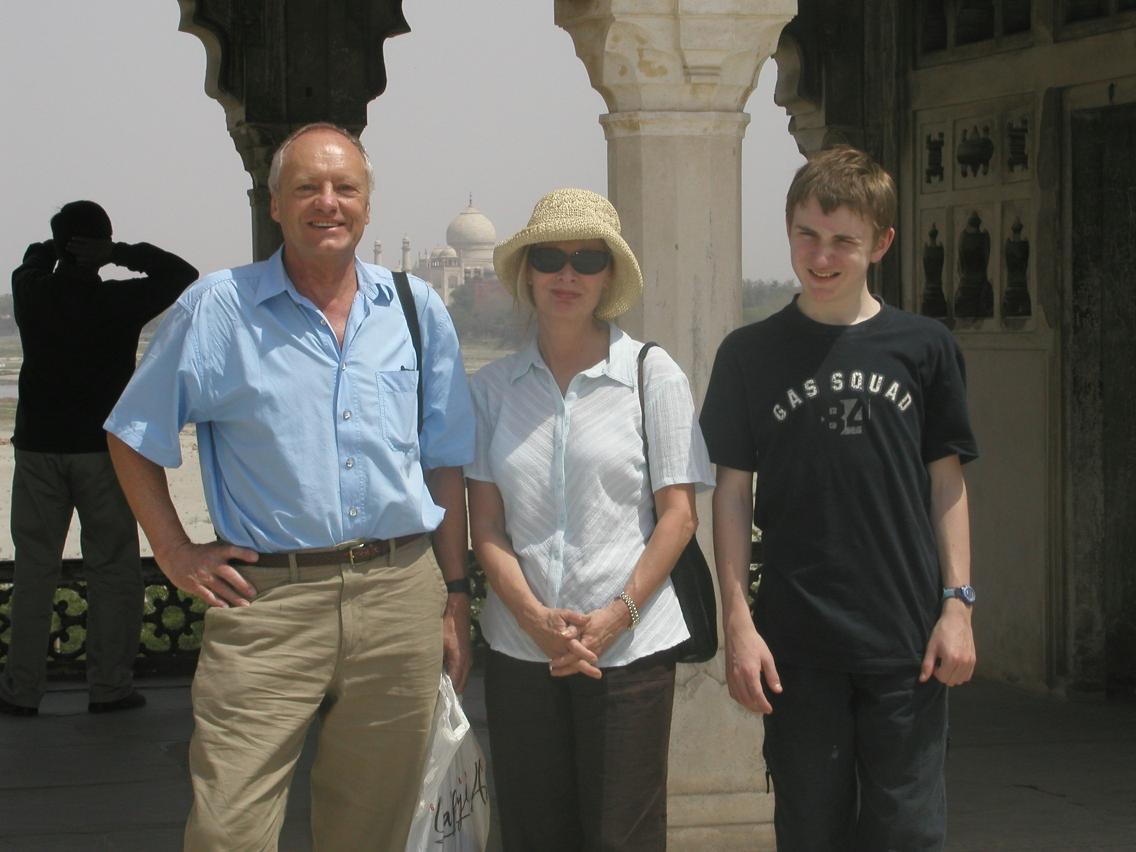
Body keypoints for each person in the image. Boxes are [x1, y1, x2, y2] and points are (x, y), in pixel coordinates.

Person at [104, 123, 475, 850]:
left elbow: (445, 462)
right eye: (306, 187)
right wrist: (175, 553)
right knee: (229, 827)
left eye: (345, 188)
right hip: (269, 603)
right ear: (275, 204)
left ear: (368, 207)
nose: (327, 203)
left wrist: (454, 594)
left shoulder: (414, 310)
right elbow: (130, 434)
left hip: (398, 593)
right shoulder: (220, 309)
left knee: (374, 826)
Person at [700, 145, 978, 851]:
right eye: (807, 236)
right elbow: (730, 495)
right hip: (797, 642)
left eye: (842, 242)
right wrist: (739, 624)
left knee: (905, 834)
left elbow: (947, 482)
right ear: (790, 229)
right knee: (810, 830)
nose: (821, 258)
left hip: (905, 641)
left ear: (880, 243)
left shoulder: (924, 347)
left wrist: (958, 606)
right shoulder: (749, 353)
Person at [467, 188, 714, 851]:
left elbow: (679, 518)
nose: (567, 275)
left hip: (628, 648)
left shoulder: (650, 375)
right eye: (550, 257)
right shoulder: (491, 392)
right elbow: (486, 527)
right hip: (524, 649)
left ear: (609, 276)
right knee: (534, 832)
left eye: (587, 259)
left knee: (622, 834)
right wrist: (534, 619)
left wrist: (614, 618)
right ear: (528, 273)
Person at [0, 201, 197, 717]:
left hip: (40, 447)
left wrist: (54, 248)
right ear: (100, 246)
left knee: (34, 570)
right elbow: (181, 273)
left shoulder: (32, 293)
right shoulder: (120, 302)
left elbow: (30, 261)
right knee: (112, 568)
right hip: (105, 452)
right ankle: (109, 687)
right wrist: (119, 254)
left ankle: (22, 690)